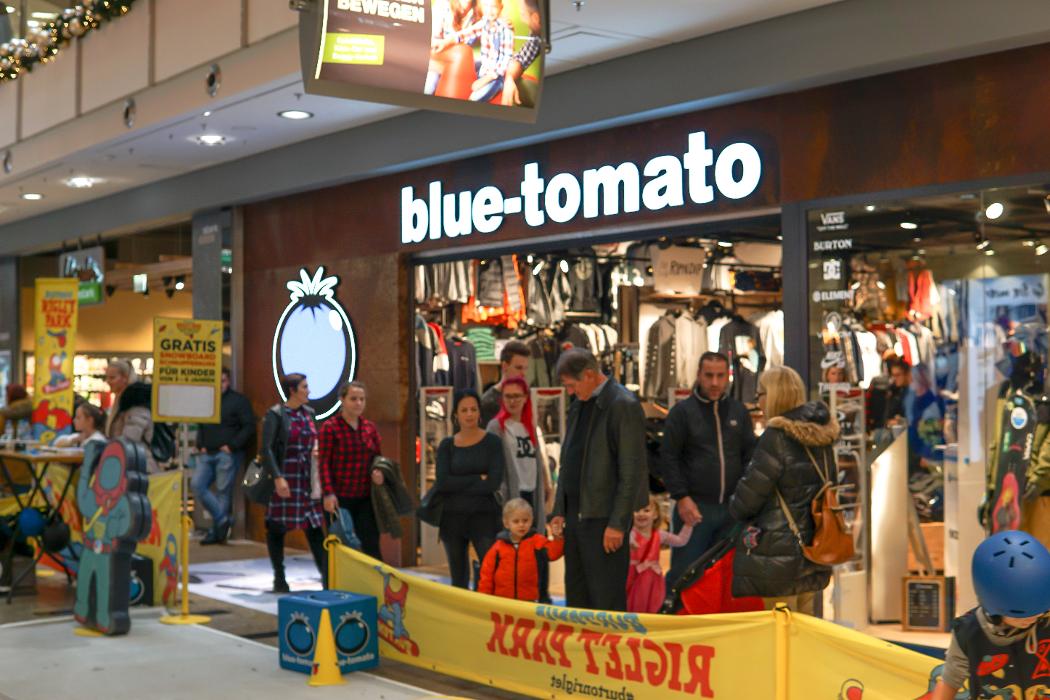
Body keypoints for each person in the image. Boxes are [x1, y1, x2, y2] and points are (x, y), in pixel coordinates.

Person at [728, 366, 837, 615]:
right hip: (814, 548)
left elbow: (747, 500)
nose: (758, 401)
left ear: (774, 395)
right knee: (805, 633)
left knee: (781, 637)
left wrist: (734, 504)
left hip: (777, 556)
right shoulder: (823, 435)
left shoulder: (775, 438)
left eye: (760, 394)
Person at [549, 348, 647, 612]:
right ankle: (580, 649)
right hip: (576, 518)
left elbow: (631, 471)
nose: (570, 391)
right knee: (578, 596)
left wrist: (617, 523)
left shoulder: (622, 405)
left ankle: (609, 651)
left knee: (606, 600)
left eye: (572, 384)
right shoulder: (579, 404)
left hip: (603, 520)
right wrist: (559, 509)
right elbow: (569, 460)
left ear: (590, 375)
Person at [661, 351, 757, 587]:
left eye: (720, 376)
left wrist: (744, 500)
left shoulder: (739, 412)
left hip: (731, 511)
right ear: (698, 375)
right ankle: (680, 621)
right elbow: (668, 459)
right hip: (694, 510)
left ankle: (721, 624)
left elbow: (750, 457)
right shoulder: (682, 413)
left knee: (725, 577)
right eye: (709, 375)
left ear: (728, 377)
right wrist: (682, 498)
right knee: (686, 574)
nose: (714, 382)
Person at [931, 530, 1050, 699]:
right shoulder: (969, 634)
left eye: (1038, 612)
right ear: (992, 603)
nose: (1030, 619)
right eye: (1018, 615)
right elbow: (950, 682)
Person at [486, 376, 554, 600]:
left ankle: (541, 594)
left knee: (537, 547)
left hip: (532, 491)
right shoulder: (497, 426)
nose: (512, 401)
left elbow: (538, 458)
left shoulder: (530, 425)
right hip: (512, 496)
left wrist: (546, 483)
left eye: (517, 396)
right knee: (513, 545)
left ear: (526, 398)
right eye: (508, 396)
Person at [261, 373, 326, 593]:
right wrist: (278, 477)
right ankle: (279, 578)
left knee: (315, 527)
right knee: (277, 527)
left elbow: (315, 439)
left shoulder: (309, 413)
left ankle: (327, 577)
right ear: (292, 390)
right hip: (286, 474)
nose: (308, 390)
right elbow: (267, 448)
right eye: (304, 387)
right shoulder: (276, 414)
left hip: (307, 477)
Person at [434, 390, 504, 589]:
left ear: (480, 413)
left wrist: (458, 482)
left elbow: (493, 483)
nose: (469, 414)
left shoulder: (493, 443)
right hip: (452, 518)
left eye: (473, 409)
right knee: (458, 578)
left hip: (485, 517)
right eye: (464, 410)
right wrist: (476, 478)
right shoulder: (447, 445)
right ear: (456, 415)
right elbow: (443, 482)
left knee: (488, 572)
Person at [319, 381, 384, 561]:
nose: (358, 403)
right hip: (339, 498)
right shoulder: (330, 428)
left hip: (365, 496)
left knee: (371, 543)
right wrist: (328, 493)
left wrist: (378, 472)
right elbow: (323, 463)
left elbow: (378, 458)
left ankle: (377, 586)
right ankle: (331, 585)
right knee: (337, 545)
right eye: (353, 399)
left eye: (362, 399)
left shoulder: (369, 428)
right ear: (342, 400)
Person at [192, 368, 256, 545]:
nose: (220, 385)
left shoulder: (238, 401)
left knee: (223, 491)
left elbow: (249, 426)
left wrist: (232, 446)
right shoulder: (207, 401)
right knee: (197, 485)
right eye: (217, 381)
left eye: (224, 381)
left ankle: (217, 532)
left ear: (229, 381)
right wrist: (201, 444)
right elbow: (201, 424)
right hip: (208, 451)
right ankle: (222, 519)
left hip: (226, 453)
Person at [477, 498, 564, 602]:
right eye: (516, 521)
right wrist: (483, 599)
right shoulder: (497, 548)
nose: (521, 525)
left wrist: (558, 539)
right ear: (506, 523)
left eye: (525, 520)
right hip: (502, 603)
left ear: (531, 520)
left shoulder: (537, 541)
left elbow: (553, 554)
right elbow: (486, 576)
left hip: (530, 602)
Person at [433, 0, 514, 103]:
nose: (489, 10)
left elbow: (506, 59)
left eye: (493, 7)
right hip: (484, 70)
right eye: (486, 6)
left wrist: (486, 79)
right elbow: (466, 34)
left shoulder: (506, 29)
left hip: (495, 76)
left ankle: (497, 87)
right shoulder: (485, 22)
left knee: (474, 98)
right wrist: (446, 42)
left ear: (500, 7)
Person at [627, 494, 693, 614]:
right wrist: (630, 542)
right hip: (633, 576)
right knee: (634, 605)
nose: (641, 514)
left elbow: (680, 541)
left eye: (646, 510)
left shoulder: (660, 535)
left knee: (654, 604)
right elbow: (629, 539)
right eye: (637, 510)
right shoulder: (631, 533)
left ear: (655, 514)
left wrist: (689, 525)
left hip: (653, 578)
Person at [104, 360, 157, 473]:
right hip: (129, 464)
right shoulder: (122, 403)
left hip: (139, 468)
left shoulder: (136, 404)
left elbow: (130, 439)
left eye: (112, 378)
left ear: (125, 378)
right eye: (107, 377)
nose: (108, 381)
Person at [425, 0, 477, 95]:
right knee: (429, 87)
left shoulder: (477, 10)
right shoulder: (443, 5)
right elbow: (429, 41)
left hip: (461, 63)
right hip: (438, 57)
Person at [499, 0, 541, 107]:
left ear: (536, 18)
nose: (522, 20)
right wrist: (509, 79)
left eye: (523, 14)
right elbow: (520, 59)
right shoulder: (536, 37)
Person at [480, 339, 531, 426]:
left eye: (525, 368)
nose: (523, 373)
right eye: (518, 368)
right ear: (505, 366)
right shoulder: (488, 403)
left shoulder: (526, 396)